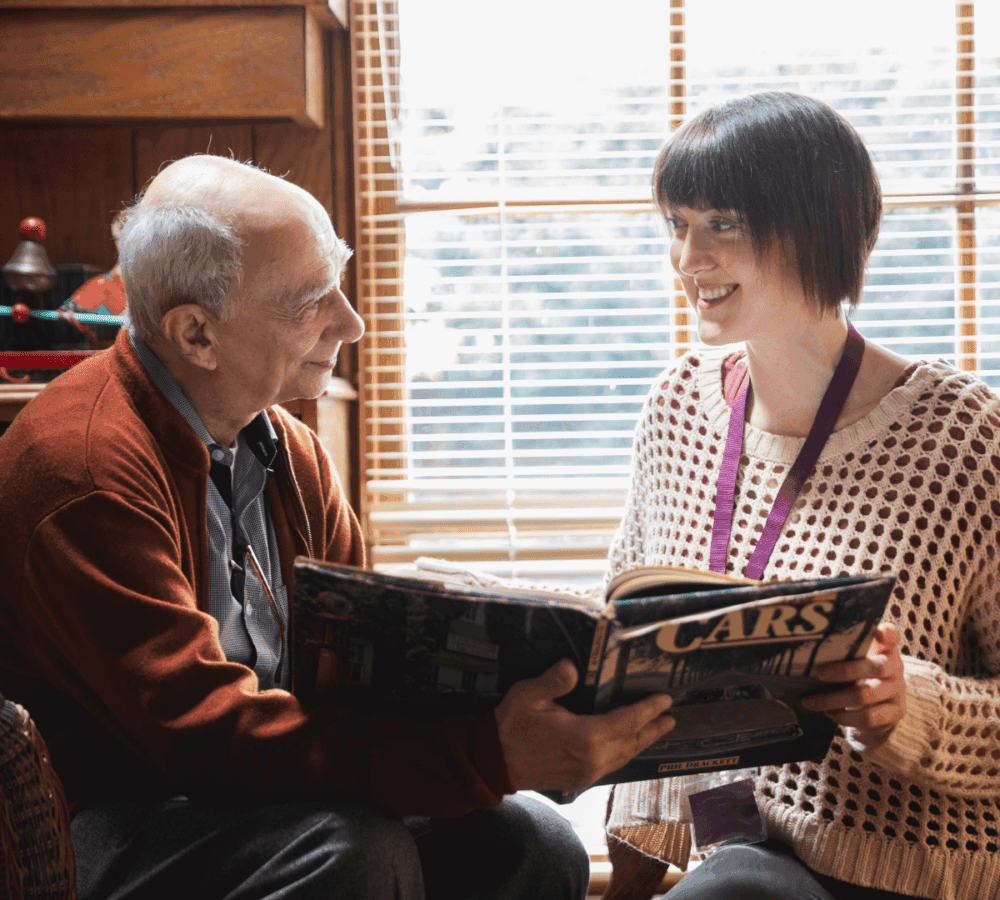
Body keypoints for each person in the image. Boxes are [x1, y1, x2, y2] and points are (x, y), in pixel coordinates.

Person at [0, 155, 676, 900]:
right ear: (196, 333)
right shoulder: (84, 470)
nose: (350, 323)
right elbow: (198, 735)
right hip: (100, 814)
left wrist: (545, 716)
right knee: (355, 852)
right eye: (310, 301)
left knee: (530, 840)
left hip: (263, 785)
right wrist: (484, 754)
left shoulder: (287, 447)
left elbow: (366, 666)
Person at [602, 92, 1000, 900]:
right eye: (677, 225)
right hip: (715, 854)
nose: (688, 260)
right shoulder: (677, 405)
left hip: (892, 868)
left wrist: (906, 706)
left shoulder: (963, 440)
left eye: (723, 224)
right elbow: (622, 628)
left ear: (815, 227)